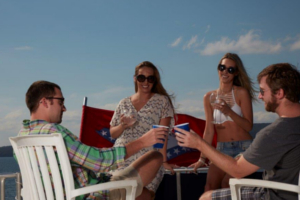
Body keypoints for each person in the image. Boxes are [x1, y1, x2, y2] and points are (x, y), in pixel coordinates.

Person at [19, 80, 169, 200]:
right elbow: (98, 161)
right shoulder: (55, 134)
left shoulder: (22, 136)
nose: (64, 108)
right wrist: (142, 142)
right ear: (45, 102)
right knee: (155, 158)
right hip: (88, 194)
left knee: (141, 193)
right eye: (61, 102)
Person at [175, 63, 300, 200]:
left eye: (263, 91)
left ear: (279, 93)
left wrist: (198, 143)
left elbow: (238, 170)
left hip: (273, 195)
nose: (259, 96)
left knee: (206, 197)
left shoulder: (274, 133)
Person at [189, 53, 256, 190]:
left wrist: (229, 111)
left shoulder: (241, 93)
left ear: (236, 73)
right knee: (210, 187)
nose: (225, 72)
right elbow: (209, 130)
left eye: (230, 69)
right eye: (222, 67)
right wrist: (202, 158)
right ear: (218, 69)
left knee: (227, 184)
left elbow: (248, 126)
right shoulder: (208, 97)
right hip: (221, 149)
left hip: (243, 148)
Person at [110, 61, 175, 199]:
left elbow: (162, 134)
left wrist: (163, 161)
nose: (146, 82)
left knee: (141, 195)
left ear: (154, 80)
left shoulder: (162, 101)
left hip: (148, 160)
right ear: (135, 78)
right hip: (122, 157)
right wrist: (122, 126)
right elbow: (112, 133)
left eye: (150, 78)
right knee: (120, 193)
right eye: (141, 78)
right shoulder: (123, 103)